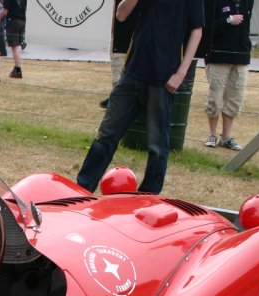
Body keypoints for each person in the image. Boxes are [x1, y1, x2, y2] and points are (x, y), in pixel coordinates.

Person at [76, 0, 204, 195]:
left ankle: (149, 195)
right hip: (132, 72)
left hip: (163, 76)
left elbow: (197, 30)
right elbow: (121, 14)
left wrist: (181, 73)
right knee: (106, 135)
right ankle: (82, 189)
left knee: (157, 144)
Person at [204, 0, 252, 151]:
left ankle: (226, 136)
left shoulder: (247, 2)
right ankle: (212, 134)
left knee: (235, 97)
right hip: (218, 56)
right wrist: (228, 20)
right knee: (215, 97)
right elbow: (207, 27)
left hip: (241, 56)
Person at [0, 0, 26, 78]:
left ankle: (18, 70)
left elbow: (4, 11)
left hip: (13, 21)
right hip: (22, 21)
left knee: (14, 46)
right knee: (17, 46)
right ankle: (17, 68)